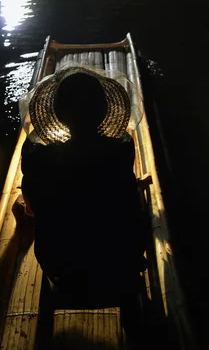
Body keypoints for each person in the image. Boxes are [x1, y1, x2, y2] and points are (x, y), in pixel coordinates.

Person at [20, 66, 149, 330]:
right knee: (134, 204)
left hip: (60, 263)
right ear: (103, 111)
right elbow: (125, 205)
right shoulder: (121, 149)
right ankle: (133, 306)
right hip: (118, 264)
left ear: (57, 113)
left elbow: (35, 205)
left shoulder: (38, 156)